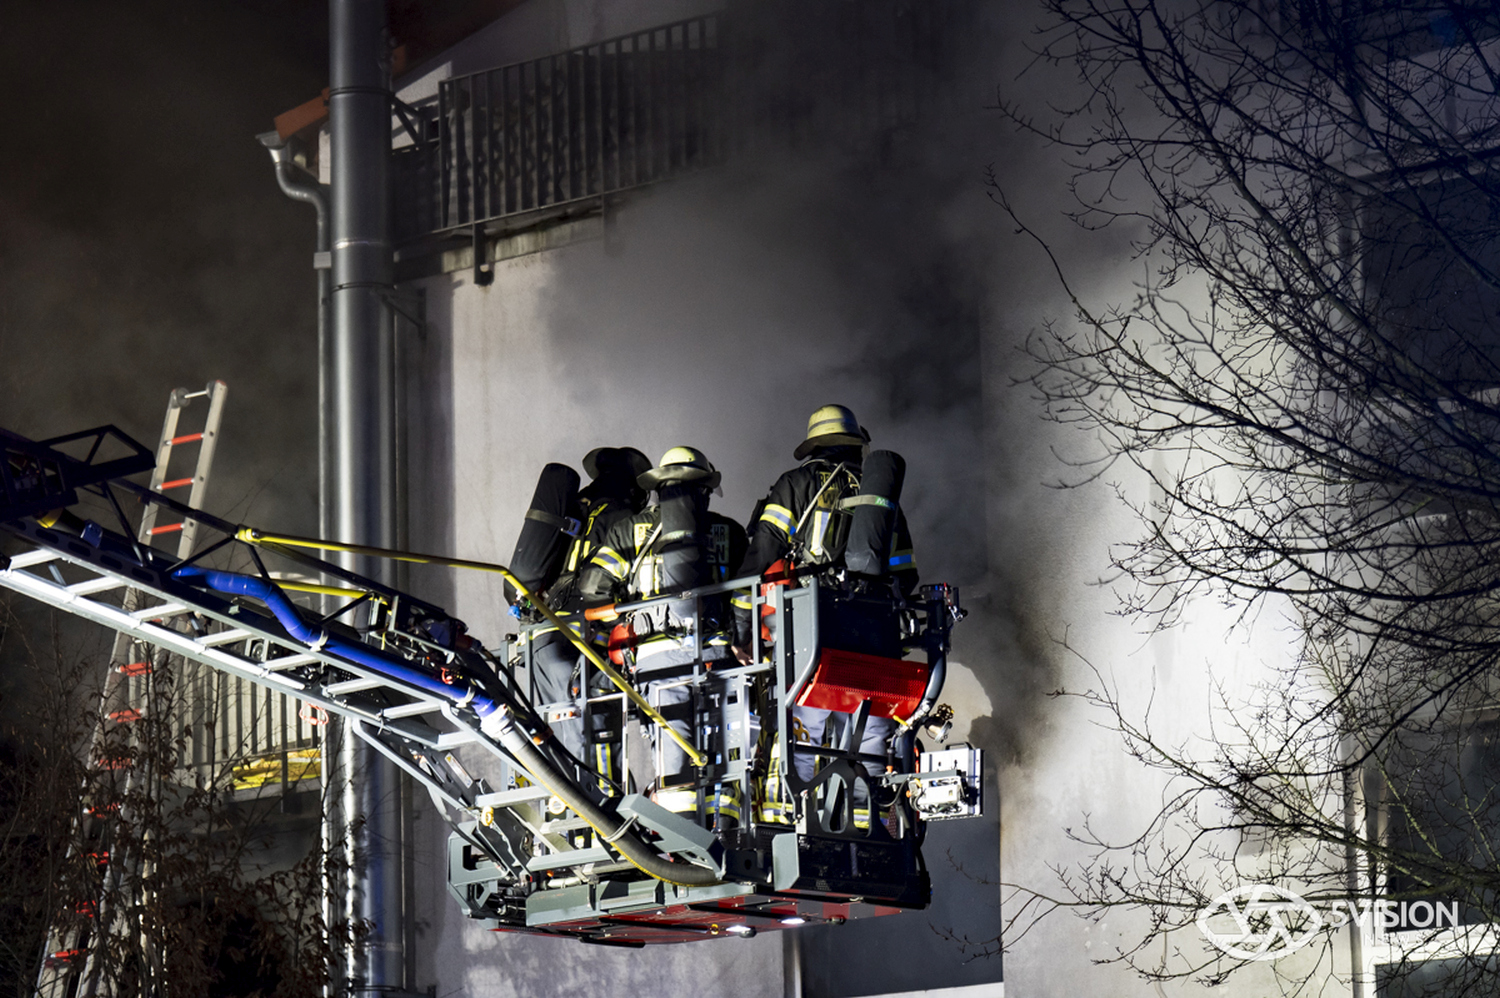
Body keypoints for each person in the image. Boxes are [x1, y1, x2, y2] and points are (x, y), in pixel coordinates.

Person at [736, 404, 918, 824]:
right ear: (856, 446)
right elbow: (906, 575)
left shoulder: (795, 485)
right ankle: (867, 823)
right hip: (875, 641)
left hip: (812, 632)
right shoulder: (884, 501)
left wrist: (743, 628)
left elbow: (761, 555)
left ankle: (788, 821)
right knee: (870, 734)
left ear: (814, 445)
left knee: (803, 729)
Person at [579, 446, 746, 796]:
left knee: (674, 754)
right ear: (704, 488)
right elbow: (746, 596)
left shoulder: (629, 530)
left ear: (657, 487)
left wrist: (624, 615)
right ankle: (725, 827)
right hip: (719, 656)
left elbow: (594, 587)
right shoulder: (729, 531)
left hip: (657, 661)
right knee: (727, 753)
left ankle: (679, 842)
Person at [510, 447, 650, 766]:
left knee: (554, 738)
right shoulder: (625, 518)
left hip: (538, 638)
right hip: (580, 640)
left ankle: (562, 810)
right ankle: (599, 809)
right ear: (634, 487)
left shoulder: (572, 510)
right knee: (594, 728)